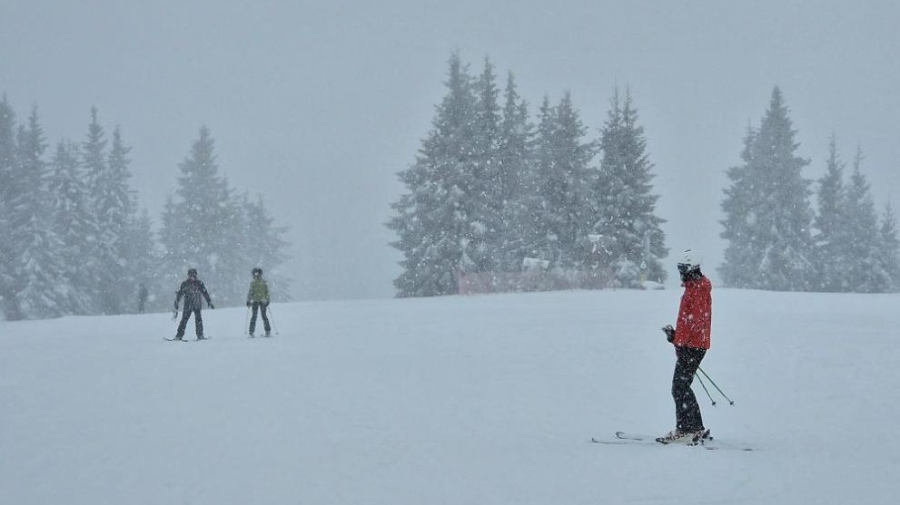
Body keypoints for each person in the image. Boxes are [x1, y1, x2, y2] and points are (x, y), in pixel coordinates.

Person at [658, 249, 712, 444]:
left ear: (691, 269)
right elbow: (690, 322)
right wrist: (675, 337)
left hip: (692, 347)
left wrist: (680, 343)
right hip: (692, 345)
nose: (680, 272)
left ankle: (686, 430)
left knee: (679, 388)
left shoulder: (697, 290)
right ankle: (695, 428)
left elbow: (695, 322)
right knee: (682, 386)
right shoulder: (695, 288)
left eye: (682, 269)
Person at [173, 268, 214, 341]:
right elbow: (179, 294)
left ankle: (200, 335)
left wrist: (209, 302)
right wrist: (176, 303)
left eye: (194, 275)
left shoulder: (199, 283)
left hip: (197, 304)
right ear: (188, 275)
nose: (192, 277)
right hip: (187, 305)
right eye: (190, 275)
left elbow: (205, 293)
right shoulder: (185, 284)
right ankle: (179, 336)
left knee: (198, 320)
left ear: (196, 275)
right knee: (184, 320)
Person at [246, 267, 271, 337]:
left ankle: (251, 332)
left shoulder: (254, 282)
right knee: (263, 316)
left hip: (256, 301)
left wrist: (248, 300)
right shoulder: (262, 282)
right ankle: (267, 331)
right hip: (261, 301)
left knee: (255, 316)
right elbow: (267, 292)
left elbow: (250, 293)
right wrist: (267, 300)